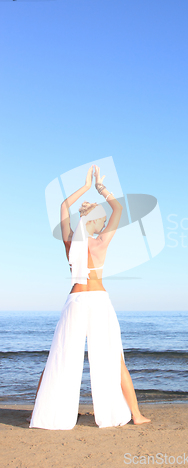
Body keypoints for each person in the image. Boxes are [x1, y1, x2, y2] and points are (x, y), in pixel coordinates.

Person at [29, 165, 150, 430]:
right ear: (93, 220)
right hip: (97, 302)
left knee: (57, 358)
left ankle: (38, 413)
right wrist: (100, 188)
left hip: (75, 301)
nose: (104, 224)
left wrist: (84, 187)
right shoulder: (101, 243)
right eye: (101, 220)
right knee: (114, 358)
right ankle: (136, 414)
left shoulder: (70, 242)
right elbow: (118, 209)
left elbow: (63, 206)